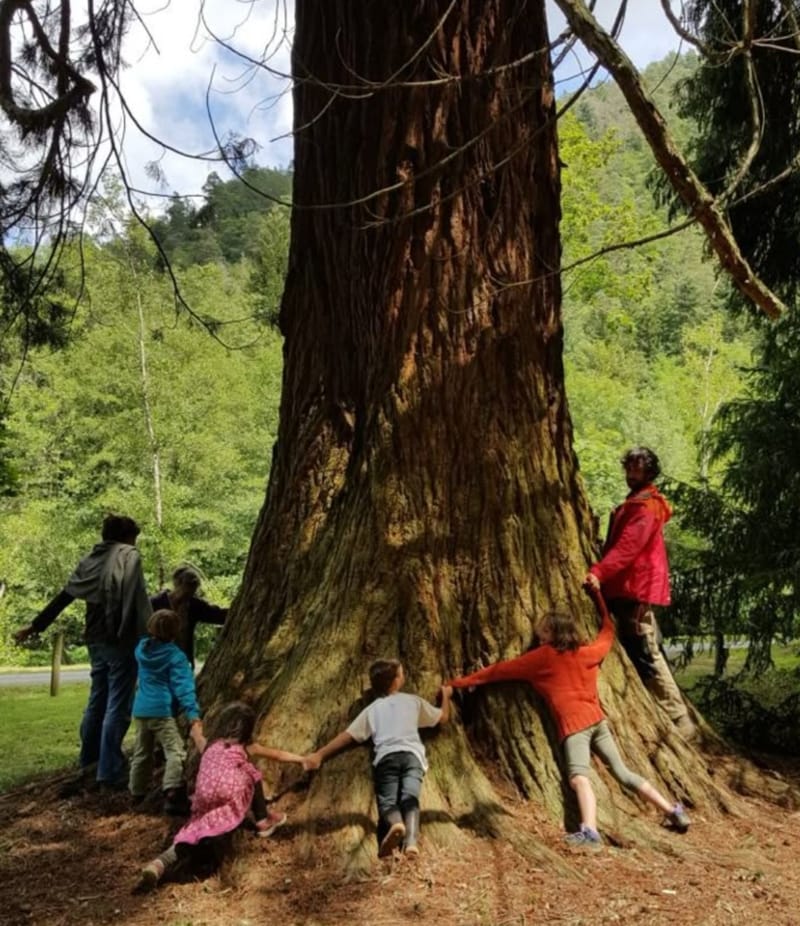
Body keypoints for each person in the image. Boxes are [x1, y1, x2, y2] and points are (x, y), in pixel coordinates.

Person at [444, 591, 690, 849]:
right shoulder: (587, 653)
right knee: (623, 772)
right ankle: (672, 811)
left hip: (576, 728)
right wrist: (599, 596)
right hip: (598, 722)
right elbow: (607, 632)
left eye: (544, 633)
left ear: (555, 634)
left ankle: (590, 832)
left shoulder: (542, 658)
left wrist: (456, 684)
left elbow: (497, 672)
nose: (539, 638)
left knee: (578, 778)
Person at [14, 513, 152, 790]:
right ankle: (109, 771)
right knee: (118, 706)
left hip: (94, 639)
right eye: (133, 538)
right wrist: (153, 633)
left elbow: (65, 596)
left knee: (97, 701)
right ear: (126, 538)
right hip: (120, 639)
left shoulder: (90, 560)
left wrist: (35, 626)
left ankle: (89, 761)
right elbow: (137, 599)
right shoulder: (129, 556)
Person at [584, 446, 695, 739]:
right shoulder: (636, 501)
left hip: (635, 587)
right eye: (629, 467)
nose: (631, 473)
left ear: (649, 472)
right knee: (642, 645)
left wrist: (599, 572)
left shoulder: (646, 506)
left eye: (638, 468)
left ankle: (679, 719)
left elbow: (629, 547)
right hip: (627, 586)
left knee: (645, 651)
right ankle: (670, 713)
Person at [138, 701, 305, 890]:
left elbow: (198, 739)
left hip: (204, 795)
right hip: (229, 792)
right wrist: (303, 759)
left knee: (191, 833)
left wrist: (195, 731)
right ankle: (263, 819)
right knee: (252, 773)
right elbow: (277, 754)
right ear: (248, 730)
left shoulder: (211, 745)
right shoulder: (247, 746)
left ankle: (158, 865)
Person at [304, 660, 452, 859]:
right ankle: (411, 843)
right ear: (396, 682)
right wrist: (446, 697)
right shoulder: (412, 701)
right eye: (401, 674)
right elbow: (442, 717)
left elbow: (347, 736)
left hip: (387, 758)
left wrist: (319, 754)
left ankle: (396, 823)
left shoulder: (372, 709)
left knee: (388, 800)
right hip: (412, 757)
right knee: (410, 798)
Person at [129, 609, 206, 813]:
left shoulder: (141, 649)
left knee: (141, 752)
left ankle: (136, 793)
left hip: (140, 710)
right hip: (161, 710)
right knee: (175, 751)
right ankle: (171, 791)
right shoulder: (175, 657)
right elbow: (183, 687)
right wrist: (192, 714)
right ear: (176, 632)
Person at [150, 564, 227, 667]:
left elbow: (217, 615)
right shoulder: (155, 603)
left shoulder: (194, 605)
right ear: (177, 584)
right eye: (186, 592)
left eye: (192, 593)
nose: (187, 597)